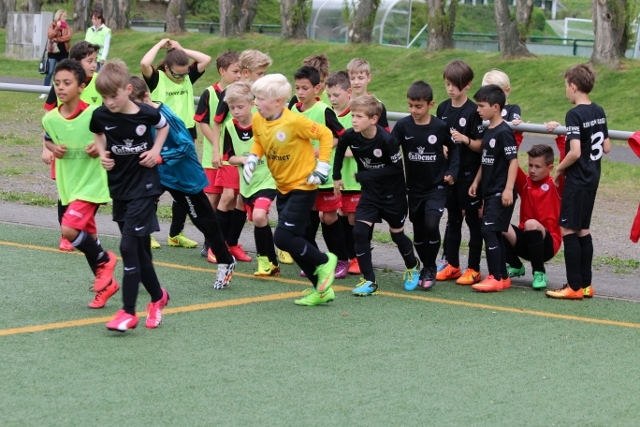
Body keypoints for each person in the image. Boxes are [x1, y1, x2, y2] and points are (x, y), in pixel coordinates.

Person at [128, 76, 237, 289]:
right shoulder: (135, 116)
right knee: (137, 214)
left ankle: (225, 260)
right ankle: (141, 269)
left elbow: (186, 146)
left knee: (203, 221)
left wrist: (160, 157)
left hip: (184, 177)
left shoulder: (166, 117)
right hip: (158, 175)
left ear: (146, 97)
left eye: (134, 105)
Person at [243, 73, 338, 306]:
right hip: (283, 187)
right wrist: (253, 158)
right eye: (255, 97)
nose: (255, 102)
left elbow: (326, 134)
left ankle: (325, 261)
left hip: (304, 185)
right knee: (297, 239)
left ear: (278, 101)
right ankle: (321, 290)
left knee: (283, 238)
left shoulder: (294, 121)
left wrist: (323, 166)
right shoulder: (258, 119)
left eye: (260, 98)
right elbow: (259, 141)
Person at [90, 60, 170, 332]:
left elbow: (164, 126)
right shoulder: (101, 115)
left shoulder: (146, 113)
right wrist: (103, 153)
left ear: (127, 89)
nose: (109, 102)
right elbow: (97, 133)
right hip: (120, 188)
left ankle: (127, 312)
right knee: (139, 249)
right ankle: (158, 296)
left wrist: (155, 151)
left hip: (145, 187)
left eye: (113, 96)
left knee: (127, 246)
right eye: (104, 97)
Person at [42, 59, 118, 310]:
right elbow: (48, 139)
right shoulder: (50, 119)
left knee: (68, 229)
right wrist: (53, 148)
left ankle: (106, 261)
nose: (60, 87)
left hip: (92, 185)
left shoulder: (96, 115)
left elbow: (115, 137)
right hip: (69, 187)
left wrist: (100, 146)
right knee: (89, 241)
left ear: (82, 87)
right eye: (57, 83)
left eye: (67, 83)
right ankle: (106, 286)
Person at [333, 95, 420, 296]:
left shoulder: (387, 140)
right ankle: (370, 280)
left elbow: (396, 169)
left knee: (397, 234)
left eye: (359, 116)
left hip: (393, 195)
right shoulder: (350, 136)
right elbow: (339, 151)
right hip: (370, 194)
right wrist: (336, 176)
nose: (354, 120)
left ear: (373, 119)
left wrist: (365, 175)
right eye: (353, 116)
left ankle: (412, 265)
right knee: (360, 232)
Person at [546, 64, 611, 300]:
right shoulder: (599, 110)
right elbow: (606, 147)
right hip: (592, 178)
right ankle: (585, 285)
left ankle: (573, 286)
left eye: (566, 86)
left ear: (573, 86)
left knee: (567, 229)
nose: (566, 91)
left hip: (577, 180)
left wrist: (559, 169)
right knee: (583, 229)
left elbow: (574, 152)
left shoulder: (574, 114)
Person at [141, 38, 212, 249]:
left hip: (185, 136)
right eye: (177, 74)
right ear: (166, 68)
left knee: (184, 184)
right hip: (162, 136)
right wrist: (160, 44)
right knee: (156, 185)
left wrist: (181, 49)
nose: (182, 77)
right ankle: (146, 233)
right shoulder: (157, 78)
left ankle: (175, 234)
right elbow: (144, 63)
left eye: (184, 73)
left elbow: (206, 59)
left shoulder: (187, 76)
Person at [392, 81, 459, 290]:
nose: (414, 110)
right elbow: (390, 148)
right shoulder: (403, 126)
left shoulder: (439, 126)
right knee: (419, 232)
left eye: (418, 106)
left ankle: (430, 267)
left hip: (436, 187)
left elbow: (454, 149)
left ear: (431, 104)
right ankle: (424, 264)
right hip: (413, 189)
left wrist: (452, 171)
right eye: (410, 105)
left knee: (431, 225)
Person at [208, 50, 273, 264]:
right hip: (233, 154)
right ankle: (215, 245)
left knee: (241, 200)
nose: (263, 77)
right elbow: (217, 122)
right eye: (260, 73)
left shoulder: (259, 94)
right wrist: (217, 151)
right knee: (228, 196)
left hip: (252, 158)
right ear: (246, 73)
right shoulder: (232, 92)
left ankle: (232, 243)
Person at [42, 41, 103, 252]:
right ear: (76, 63)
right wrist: (46, 147)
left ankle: (83, 230)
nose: (94, 65)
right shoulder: (60, 86)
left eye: (95, 61)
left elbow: (109, 117)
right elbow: (49, 117)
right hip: (66, 152)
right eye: (89, 61)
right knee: (65, 193)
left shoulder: (100, 83)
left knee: (89, 195)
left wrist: (101, 145)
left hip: (90, 153)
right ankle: (66, 234)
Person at [290, 65, 348, 279]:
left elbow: (341, 136)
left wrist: (319, 148)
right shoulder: (292, 109)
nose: (300, 92)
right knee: (307, 218)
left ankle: (341, 260)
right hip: (301, 175)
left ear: (317, 88)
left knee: (329, 218)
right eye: (297, 87)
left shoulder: (324, 111)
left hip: (323, 174)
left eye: (305, 88)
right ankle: (315, 260)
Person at [435, 60, 485, 286]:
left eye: (455, 85)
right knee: (453, 219)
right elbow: (438, 137)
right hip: (450, 175)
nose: (451, 89)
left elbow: (481, 145)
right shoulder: (442, 108)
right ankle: (452, 264)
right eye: (447, 84)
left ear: (467, 85)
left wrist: (465, 140)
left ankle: (474, 268)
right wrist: (442, 147)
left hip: (469, 175)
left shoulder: (474, 111)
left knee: (473, 221)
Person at [224, 81, 280, 276]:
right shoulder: (229, 127)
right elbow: (229, 157)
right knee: (260, 219)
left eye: (240, 107)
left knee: (258, 216)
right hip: (248, 183)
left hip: (268, 179)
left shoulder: (264, 121)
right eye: (232, 108)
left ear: (251, 104)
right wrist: (243, 159)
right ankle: (272, 262)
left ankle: (263, 260)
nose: (236, 111)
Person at [468, 84, 518, 292]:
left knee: (488, 230)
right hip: (489, 190)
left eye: (482, 106)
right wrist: (476, 181)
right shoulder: (488, 130)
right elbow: (485, 160)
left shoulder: (504, 132)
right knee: (495, 232)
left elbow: (513, 161)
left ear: (495, 107)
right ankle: (503, 277)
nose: (478, 110)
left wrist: (508, 189)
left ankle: (495, 276)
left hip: (500, 190)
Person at [194, 50, 241, 260]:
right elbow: (203, 122)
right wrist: (217, 145)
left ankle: (225, 241)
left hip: (232, 157)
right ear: (222, 71)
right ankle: (209, 242)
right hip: (213, 157)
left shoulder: (240, 94)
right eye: (235, 71)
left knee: (230, 198)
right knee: (212, 199)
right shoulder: (209, 93)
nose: (238, 75)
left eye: (241, 71)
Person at [504, 142, 564, 290]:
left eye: (537, 167)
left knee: (531, 223)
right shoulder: (525, 182)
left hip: (547, 245)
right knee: (495, 223)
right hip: (525, 241)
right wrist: (517, 134)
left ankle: (539, 272)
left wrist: (560, 137)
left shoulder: (556, 184)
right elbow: (510, 156)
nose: (532, 170)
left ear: (550, 168)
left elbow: (566, 159)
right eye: (530, 165)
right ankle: (516, 265)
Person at [325, 70, 361, 275]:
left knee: (353, 217)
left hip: (354, 178)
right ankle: (341, 257)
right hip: (334, 177)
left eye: (336, 95)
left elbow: (364, 145)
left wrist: (344, 148)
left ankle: (356, 256)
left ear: (348, 92)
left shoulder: (356, 116)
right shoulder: (327, 115)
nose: (332, 99)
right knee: (336, 215)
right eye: (329, 95)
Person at [345, 58, 389, 131]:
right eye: (352, 78)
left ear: (369, 78)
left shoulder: (378, 106)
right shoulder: (340, 102)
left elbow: (385, 134)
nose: (356, 82)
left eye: (360, 78)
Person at [42, 10, 71, 94]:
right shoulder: (52, 25)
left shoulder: (67, 26)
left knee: (62, 72)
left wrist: (58, 39)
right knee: (50, 72)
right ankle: (44, 91)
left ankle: (58, 90)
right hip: (53, 53)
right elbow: (50, 36)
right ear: (59, 16)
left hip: (64, 53)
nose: (65, 18)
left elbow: (68, 37)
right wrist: (57, 28)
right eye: (64, 16)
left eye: (66, 16)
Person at [84, 7, 111, 72]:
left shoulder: (106, 31)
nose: (93, 20)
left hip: (99, 60)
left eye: (94, 19)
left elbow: (106, 46)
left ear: (99, 19)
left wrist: (103, 58)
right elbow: (85, 44)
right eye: (92, 19)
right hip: (88, 58)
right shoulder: (89, 30)